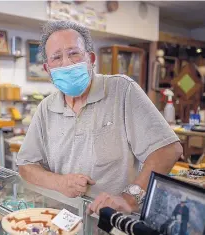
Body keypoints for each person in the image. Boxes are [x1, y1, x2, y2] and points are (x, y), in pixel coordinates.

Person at [17, 20, 183, 215]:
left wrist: (129, 199)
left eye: (74, 53)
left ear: (91, 58)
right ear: (47, 69)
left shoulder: (122, 90)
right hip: (63, 221)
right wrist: (59, 182)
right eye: (56, 57)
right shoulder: (46, 108)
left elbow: (168, 150)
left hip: (112, 221)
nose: (67, 63)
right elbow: (26, 165)